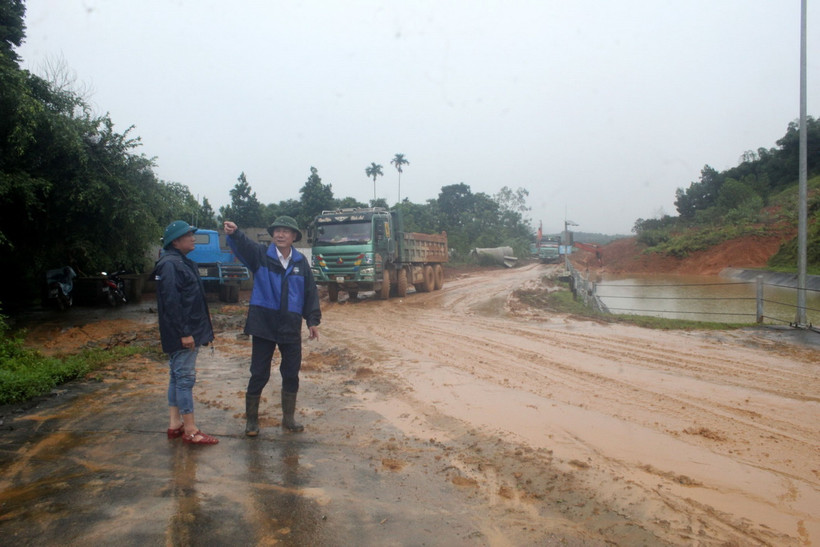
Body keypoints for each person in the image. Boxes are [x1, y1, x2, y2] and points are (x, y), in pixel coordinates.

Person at [223, 217, 320, 436]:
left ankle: (288, 418)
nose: (280, 235)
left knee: (291, 374)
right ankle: (251, 421)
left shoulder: (300, 262)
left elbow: (310, 292)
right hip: (263, 324)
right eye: (277, 231)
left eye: (286, 231)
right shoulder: (261, 256)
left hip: (290, 325)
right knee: (259, 373)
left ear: (294, 236)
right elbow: (244, 245)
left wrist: (312, 321)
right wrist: (235, 233)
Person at [152, 220, 218, 445]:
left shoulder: (180, 262)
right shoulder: (171, 265)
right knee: (185, 379)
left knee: (176, 375)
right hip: (183, 333)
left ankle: (175, 424)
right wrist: (185, 333)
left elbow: (190, 298)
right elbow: (172, 303)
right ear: (175, 241)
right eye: (189, 235)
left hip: (185, 330)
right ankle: (190, 430)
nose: (193, 238)